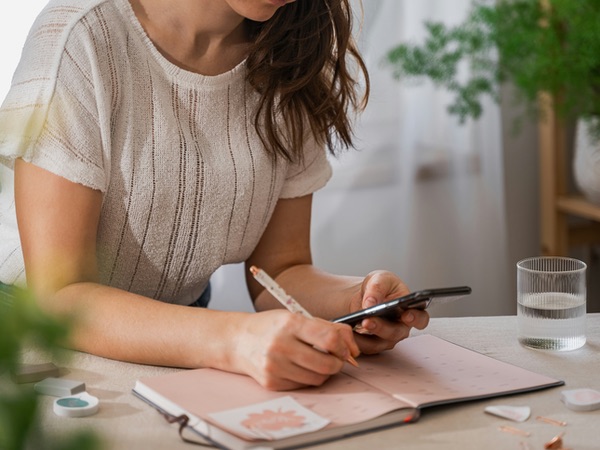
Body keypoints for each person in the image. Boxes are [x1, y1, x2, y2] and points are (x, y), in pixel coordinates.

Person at [0, 0, 429, 391]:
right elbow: (59, 297)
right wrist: (232, 338)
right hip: (30, 343)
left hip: (174, 351)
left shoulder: (291, 54)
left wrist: (357, 303)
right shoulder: (81, 37)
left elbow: (282, 269)